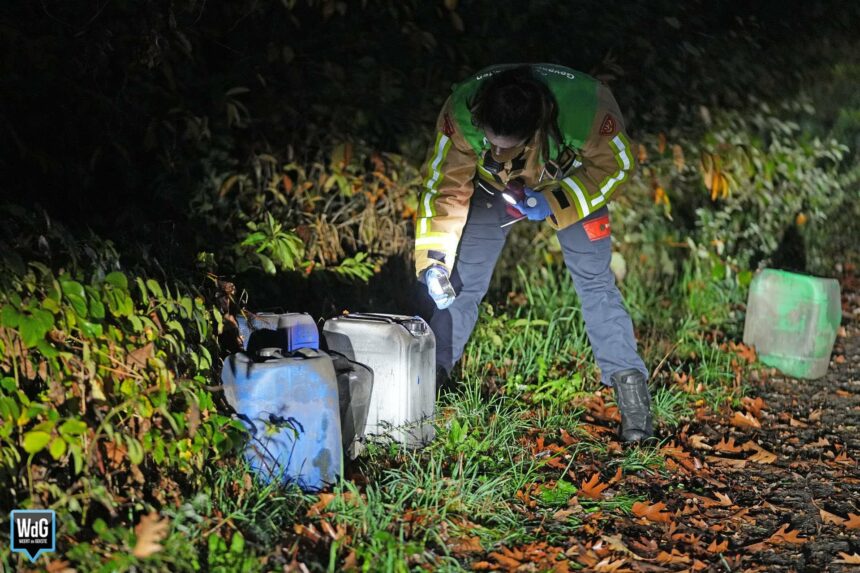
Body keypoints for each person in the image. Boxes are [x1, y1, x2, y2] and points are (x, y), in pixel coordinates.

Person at [415, 64, 653, 443]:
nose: (496, 152)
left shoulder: (585, 108)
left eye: (507, 146)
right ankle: (426, 387)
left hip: (569, 183)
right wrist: (433, 261)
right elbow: (443, 187)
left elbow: (617, 165)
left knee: (595, 284)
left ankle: (635, 407)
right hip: (492, 190)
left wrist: (556, 201)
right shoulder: (460, 113)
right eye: (490, 143)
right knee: (459, 284)